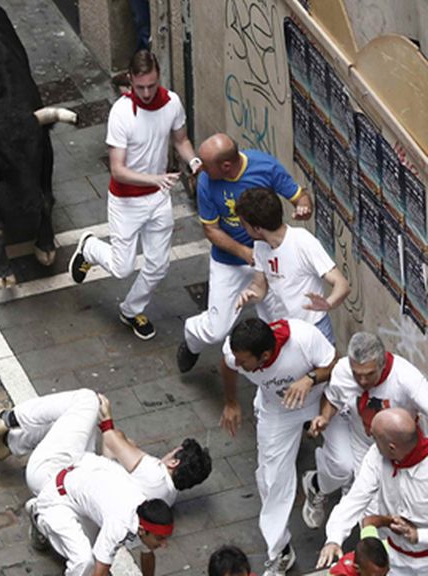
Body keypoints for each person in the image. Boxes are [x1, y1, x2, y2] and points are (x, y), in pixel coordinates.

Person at [67, 49, 199, 340]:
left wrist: (195, 163)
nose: (147, 92)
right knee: (121, 267)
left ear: (158, 78)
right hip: (126, 201)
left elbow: (182, 140)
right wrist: (156, 178)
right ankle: (89, 247)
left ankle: (130, 310)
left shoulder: (172, 103)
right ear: (130, 80)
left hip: (158, 198)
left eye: (152, 85)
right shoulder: (122, 113)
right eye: (141, 87)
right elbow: (117, 170)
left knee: (158, 265)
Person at [219, 317, 346, 576]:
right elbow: (227, 365)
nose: (238, 364)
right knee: (271, 480)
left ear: (264, 355)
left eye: (244, 361)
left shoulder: (303, 338)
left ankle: (317, 485)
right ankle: (280, 551)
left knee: (345, 465)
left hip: (320, 402)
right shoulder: (234, 354)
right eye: (237, 358)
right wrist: (232, 402)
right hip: (278, 411)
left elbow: (336, 364)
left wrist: (310, 379)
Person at [177, 133, 312, 373]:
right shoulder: (206, 181)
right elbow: (211, 229)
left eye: (205, 164)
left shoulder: (265, 166)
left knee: (277, 322)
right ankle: (191, 338)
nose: (199, 168)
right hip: (229, 262)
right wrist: (247, 254)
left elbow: (299, 196)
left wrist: (304, 206)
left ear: (226, 166)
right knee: (216, 330)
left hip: (268, 261)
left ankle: (278, 373)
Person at [0, 390, 211, 504]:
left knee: (88, 400)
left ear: (175, 461)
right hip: (79, 484)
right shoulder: (166, 499)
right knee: (77, 426)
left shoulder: (155, 473)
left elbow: (112, 439)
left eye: (171, 452)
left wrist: (108, 420)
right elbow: (114, 449)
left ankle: (6, 418)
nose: (166, 454)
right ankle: (8, 443)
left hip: (58, 476)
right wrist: (119, 439)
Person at [306, 332, 428, 529]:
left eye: (369, 374)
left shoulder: (407, 379)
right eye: (357, 375)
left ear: (382, 364)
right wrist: (325, 417)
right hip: (364, 444)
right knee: (370, 509)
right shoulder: (343, 370)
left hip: (403, 451)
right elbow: (333, 398)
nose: (362, 381)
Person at [26, 451, 175, 576]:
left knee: (95, 550)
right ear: (142, 530)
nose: (164, 545)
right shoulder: (120, 525)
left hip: (85, 486)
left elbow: (147, 553)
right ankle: (38, 512)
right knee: (84, 561)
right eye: (160, 538)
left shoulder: (144, 515)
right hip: (58, 497)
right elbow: (100, 571)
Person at [235, 186, 350, 344]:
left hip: (314, 329)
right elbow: (259, 287)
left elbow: (342, 284)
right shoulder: (260, 246)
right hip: (284, 330)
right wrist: (249, 294)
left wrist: (327, 304)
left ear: (257, 228)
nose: (242, 228)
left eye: (244, 224)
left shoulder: (302, 242)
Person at [319, 408, 427, 575]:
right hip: (394, 558)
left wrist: (419, 535)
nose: (369, 438)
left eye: (375, 438)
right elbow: (357, 497)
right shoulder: (377, 454)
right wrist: (334, 538)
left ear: (392, 447)